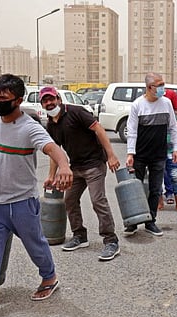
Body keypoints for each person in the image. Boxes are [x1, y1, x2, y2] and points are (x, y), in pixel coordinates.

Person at [0, 74, 74, 317]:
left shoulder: (29, 127)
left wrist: (64, 167)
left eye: (4, 97)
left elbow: (53, 148)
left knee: (36, 246)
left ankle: (49, 276)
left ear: (18, 100)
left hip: (22, 203)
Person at [39, 86, 121, 261]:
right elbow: (55, 152)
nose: (49, 103)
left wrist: (111, 155)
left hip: (94, 164)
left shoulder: (76, 112)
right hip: (75, 168)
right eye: (45, 101)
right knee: (69, 200)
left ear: (58, 99)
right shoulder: (51, 125)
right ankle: (79, 235)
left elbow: (98, 129)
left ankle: (111, 240)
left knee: (97, 200)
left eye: (51, 99)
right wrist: (51, 176)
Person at [125, 72, 177, 236]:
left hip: (159, 155)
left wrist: (175, 148)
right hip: (140, 155)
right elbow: (132, 131)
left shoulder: (167, 103)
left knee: (156, 189)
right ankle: (133, 222)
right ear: (150, 87)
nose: (163, 88)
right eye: (160, 85)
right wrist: (130, 153)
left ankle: (151, 221)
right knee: (136, 189)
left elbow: (173, 127)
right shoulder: (137, 105)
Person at [158, 89, 177, 214]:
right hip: (156, 151)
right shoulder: (150, 111)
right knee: (157, 178)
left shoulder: (170, 112)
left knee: (175, 176)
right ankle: (159, 203)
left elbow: (176, 128)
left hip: (171, 150)